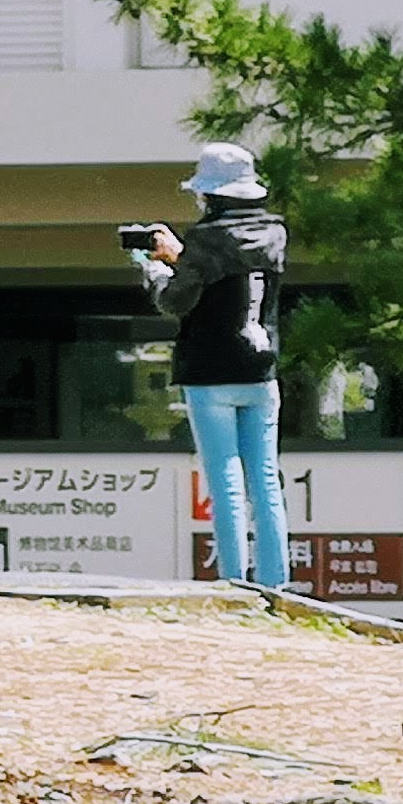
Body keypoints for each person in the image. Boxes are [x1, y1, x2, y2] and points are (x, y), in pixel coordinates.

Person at [126, 142, 294, 592]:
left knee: (225, 480)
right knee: (265, 479)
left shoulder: (204, 240)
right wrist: (183, 256)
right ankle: (277, 583)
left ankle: (235, 583)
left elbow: (176, 300)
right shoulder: (275, 233)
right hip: (261, 368)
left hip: (210, 371)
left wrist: (152, 267)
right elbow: (230, 266)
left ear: (210, 196)